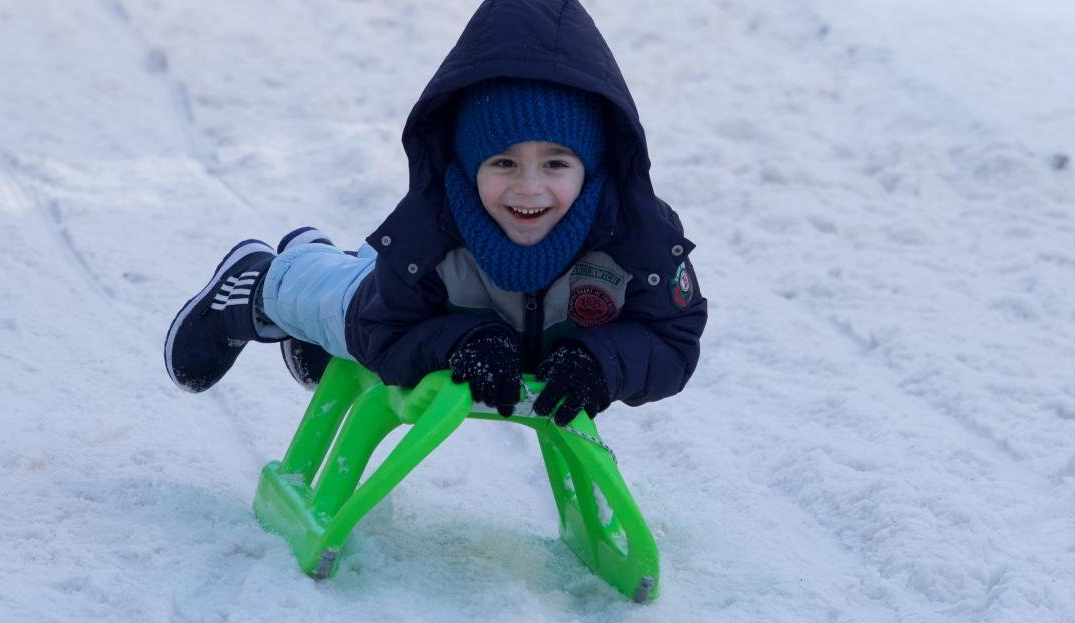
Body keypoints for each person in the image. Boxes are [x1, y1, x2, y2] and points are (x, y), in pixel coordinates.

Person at [164, 0, 706, 426]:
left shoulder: (637, 238)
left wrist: (601, 361)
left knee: (358, 287)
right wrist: (462, 341)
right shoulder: (436, 226)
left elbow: (672, 339)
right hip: (406, 308)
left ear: (593, 166)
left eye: (557, 163)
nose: (530, 188)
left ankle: (317, 264)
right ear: (469, 166)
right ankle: (262, 283)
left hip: (468, 317)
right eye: (503, 162)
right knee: (344, 306)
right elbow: (390, 334)